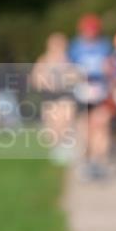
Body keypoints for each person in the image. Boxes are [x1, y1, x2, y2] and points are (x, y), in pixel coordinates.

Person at [69, 14, 113, 179]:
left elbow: (110, 66)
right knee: (85, 129)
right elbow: (71, 70)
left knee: (101, 125)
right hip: (82, 92)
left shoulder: (104, 46)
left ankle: (98, 161)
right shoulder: (75, 47)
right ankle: (86, 161)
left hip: (100, 91)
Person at [31, 31, 78, 164]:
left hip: (65, 96)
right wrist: (47, 82)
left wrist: (64, 81)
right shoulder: (44, 60)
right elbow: (36, 80)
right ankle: (56, 150)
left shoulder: (68, 60)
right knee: (52, 127)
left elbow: (75, 77)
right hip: (49, 97)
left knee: (65, 122)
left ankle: (65, 150)